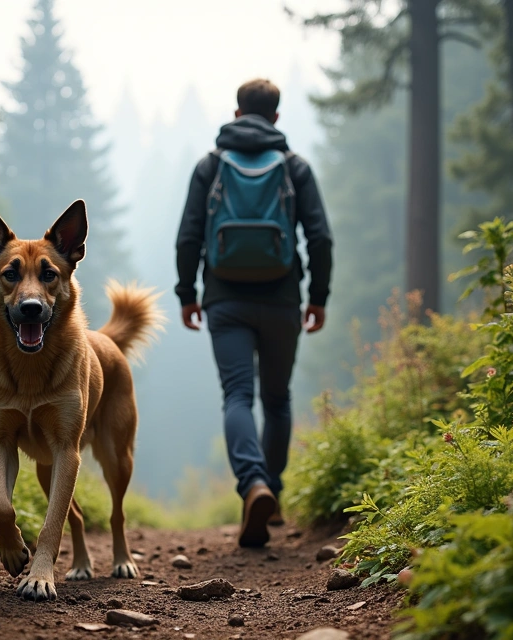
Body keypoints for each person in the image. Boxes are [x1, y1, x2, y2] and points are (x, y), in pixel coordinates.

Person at [174, 78, 333, 548]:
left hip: (225, 299)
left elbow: (188, 236)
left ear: (237, 114)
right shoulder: (295, 166)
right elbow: (320, 238)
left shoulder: (210, 166)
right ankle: (272, 492)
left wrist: (187, 293)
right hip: (282, 299)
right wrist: (317, 297)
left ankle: (253, 484)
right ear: (276, 117)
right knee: (277, 399)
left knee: (238, 395)